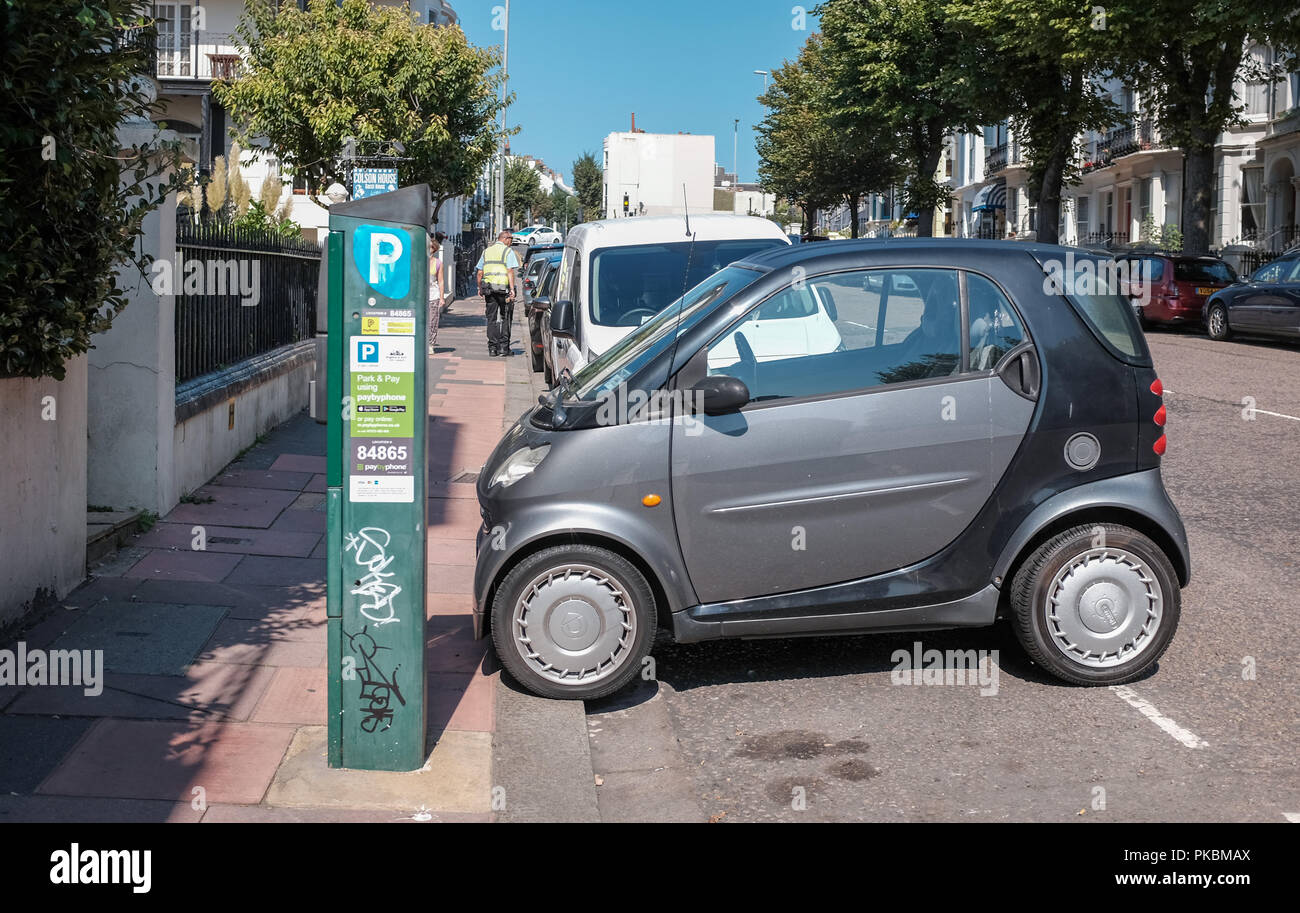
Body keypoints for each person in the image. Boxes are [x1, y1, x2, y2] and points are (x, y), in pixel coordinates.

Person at [475, 230, 520, 356]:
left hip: (489, 290)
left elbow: (479, 272)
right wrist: (512, 289)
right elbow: (510, 271)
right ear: (505, 239)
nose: (511, 242)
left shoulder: (486, 251)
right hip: (503, 289)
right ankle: (504, 348)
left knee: (491, 319)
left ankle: (492, 349)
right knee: (506, 318)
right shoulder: (508, 251)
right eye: (511, 239)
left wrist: (479, 288)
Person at [427, 234, 447, 355]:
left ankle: (430, 344)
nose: (428, 250)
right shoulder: (418, 261)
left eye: (430, 248)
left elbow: (440, 280)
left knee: (432, 321)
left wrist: (441, 297)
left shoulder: (437, 263)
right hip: (419, 296)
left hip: (432, 295)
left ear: (434, 250)